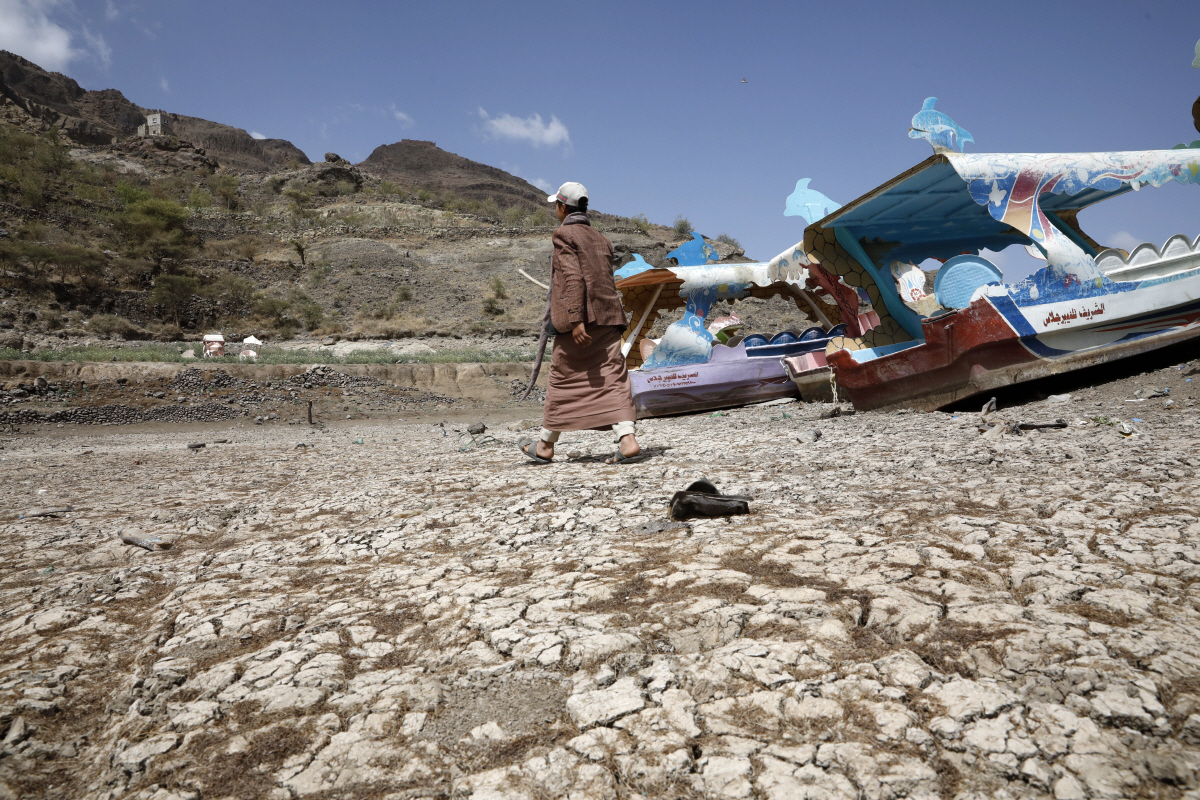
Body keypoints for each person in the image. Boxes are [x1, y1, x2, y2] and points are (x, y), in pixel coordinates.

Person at [518, 181, 642, 464]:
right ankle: (628, 439)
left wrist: (575, 320)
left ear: (563, 207)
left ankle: (546, 446)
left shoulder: (563, 235)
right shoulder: (601, 238)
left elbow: (573, 279)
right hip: (609, 318)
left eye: (556, 207)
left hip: (582, 323)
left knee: (562, 377)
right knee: (613, 377)